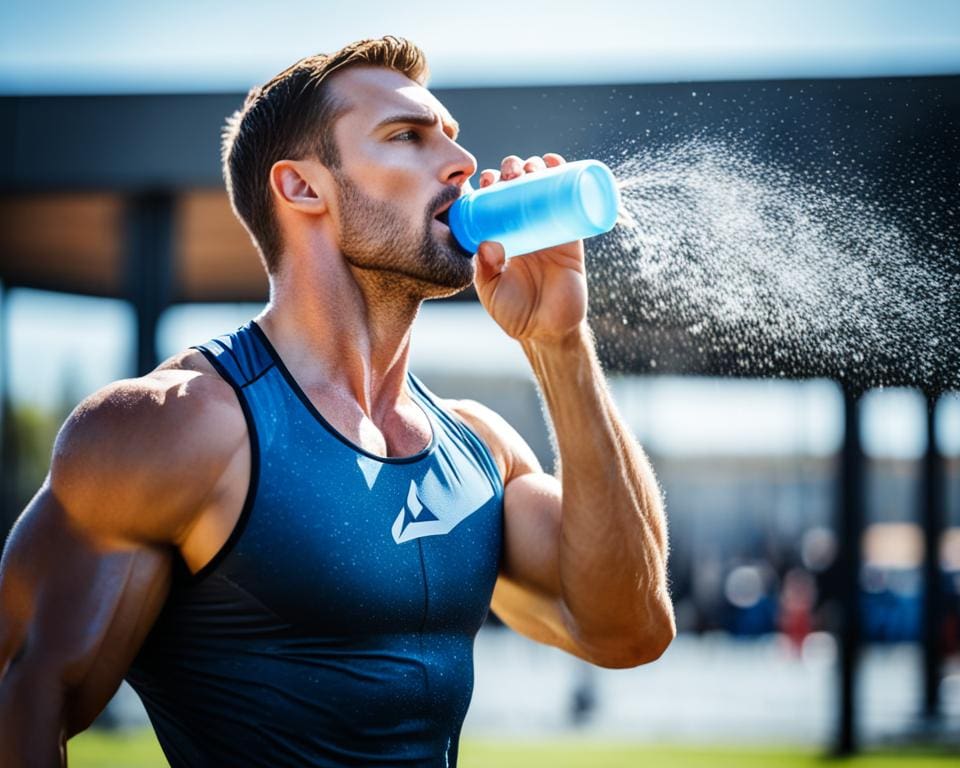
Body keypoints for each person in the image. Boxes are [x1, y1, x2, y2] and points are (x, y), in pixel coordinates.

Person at [0, 36, 674, 767]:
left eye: (449, 136)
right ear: (302, 188)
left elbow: (630, 629)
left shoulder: (477, 449)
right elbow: (25, 699)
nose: (460, 163)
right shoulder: (175, 427)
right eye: (407, 137)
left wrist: (559, 343)